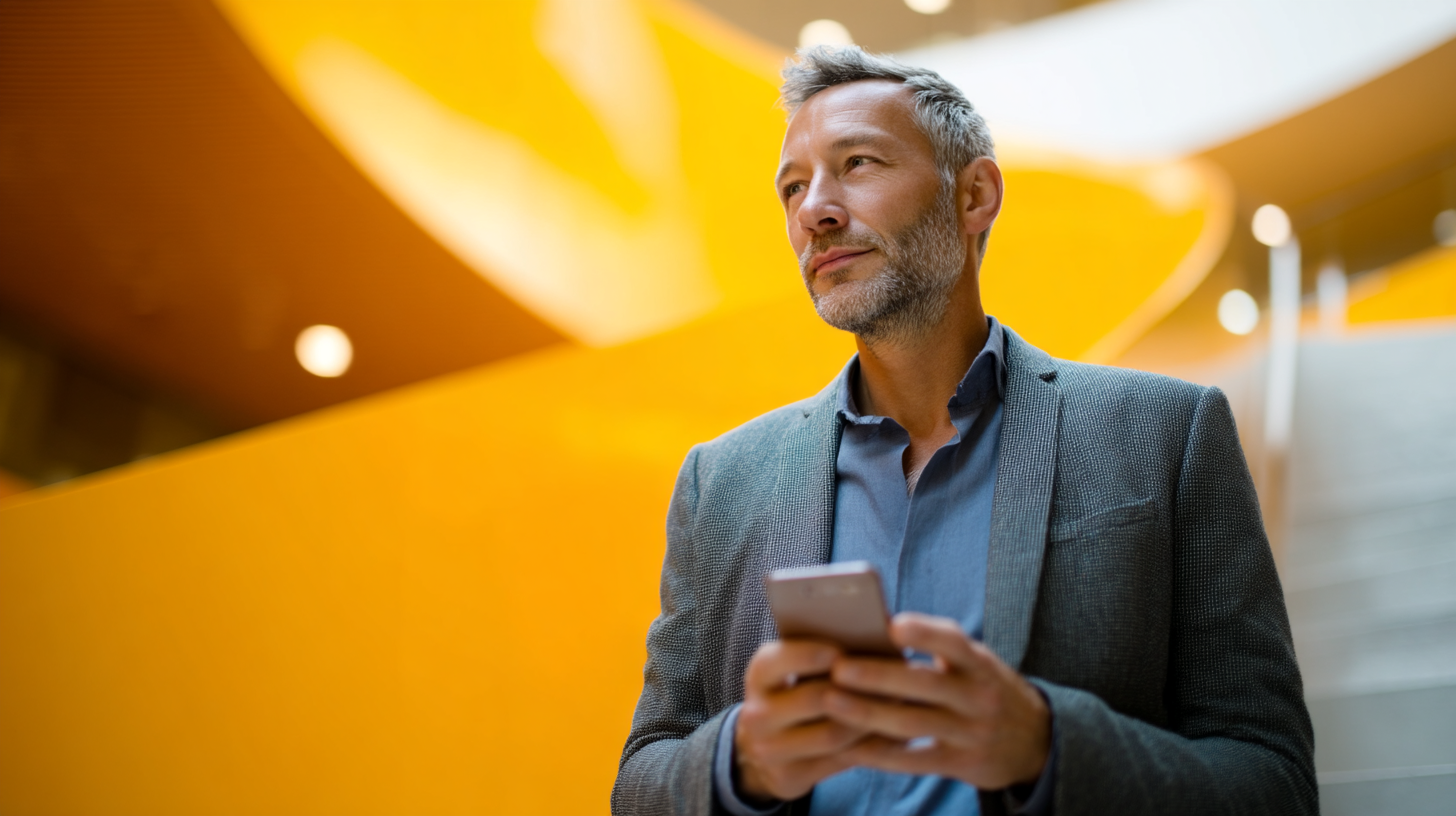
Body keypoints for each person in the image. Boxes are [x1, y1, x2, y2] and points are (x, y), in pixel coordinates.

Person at [611, 45, 1315, 816]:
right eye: (793, 187)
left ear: (974, 194)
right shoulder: (721, 481)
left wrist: (1045, 747)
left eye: (858, 163)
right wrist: (739, 762)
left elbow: (1271, 781)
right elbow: (642, 778)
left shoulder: (1166, 434)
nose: (815, 209)